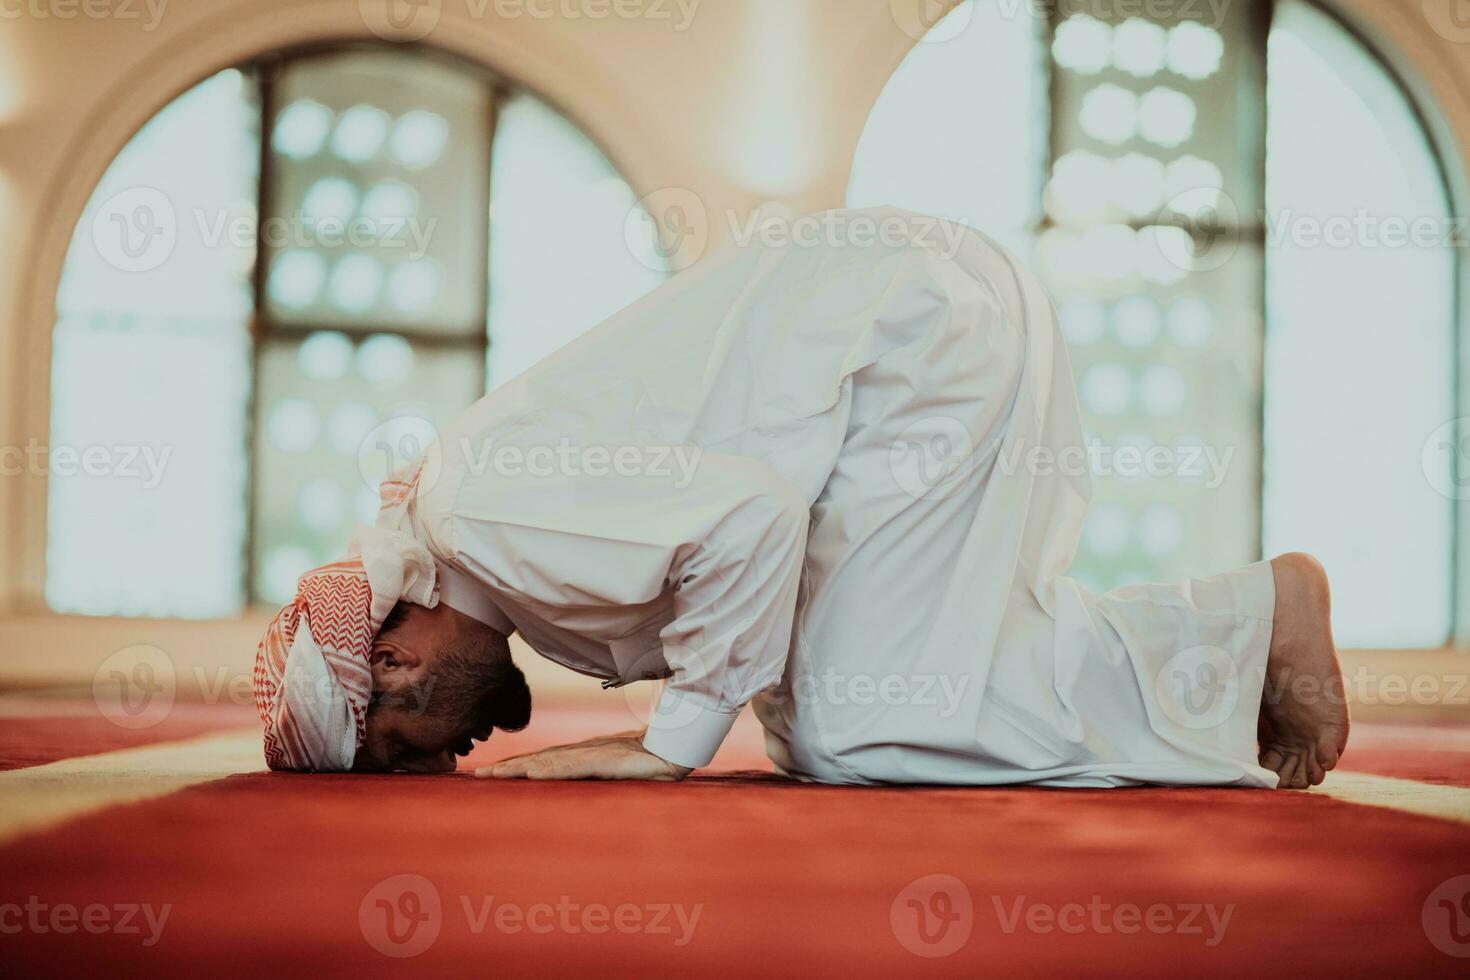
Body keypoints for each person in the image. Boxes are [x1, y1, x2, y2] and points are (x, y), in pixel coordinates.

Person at [253, 207, 1348, 789]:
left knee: (856, 724)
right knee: (846, 704)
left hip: (907, 340)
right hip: (898, 341)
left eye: (408, 749)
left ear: (390, 665)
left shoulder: (479, 518)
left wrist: (668, 747)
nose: (454, 758)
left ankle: (1249, 625)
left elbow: (754, 516)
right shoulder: (482, 534)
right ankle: (1235, 642)